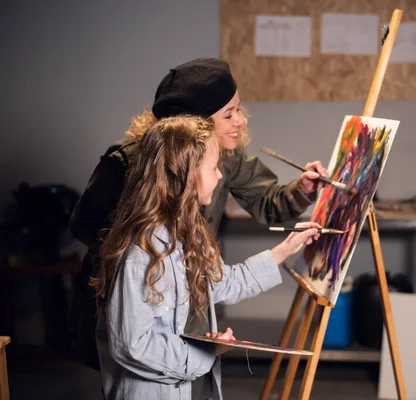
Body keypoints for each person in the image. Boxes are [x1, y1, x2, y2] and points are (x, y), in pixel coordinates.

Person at [69, 58, 328, 370]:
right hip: (137, 304)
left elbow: (265, 209)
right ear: (193, 127)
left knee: (188, 371)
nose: (241, 121)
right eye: (229, 114)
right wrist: (154, 260)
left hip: (190, 300)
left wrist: (301, 190)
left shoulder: (227, 158)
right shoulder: (127, 166)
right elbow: (85, 227)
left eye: (239, 109)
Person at [93, 115, 321, 400]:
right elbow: (131, 345)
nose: (220, 176)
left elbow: (224, 284)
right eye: (214, 167)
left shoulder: (193, 234)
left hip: (192, 386)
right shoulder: (142, 253)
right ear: (186, 176)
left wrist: (287, 248)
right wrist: (204, 355)